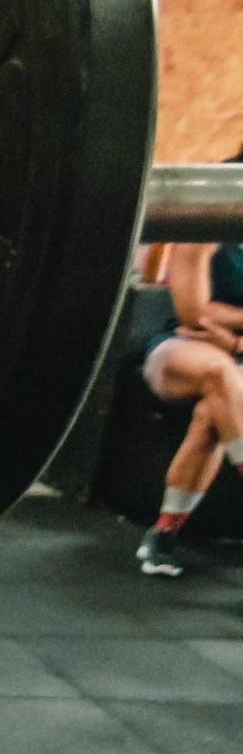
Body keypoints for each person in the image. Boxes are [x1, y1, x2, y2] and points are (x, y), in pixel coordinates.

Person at [134, 159, 243, 577]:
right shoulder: (210, 215)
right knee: (219, 373)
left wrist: (229, 331)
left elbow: (211, 315)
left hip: (230, 349)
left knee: (210, 416)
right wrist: (223, 333)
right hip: (184, 350)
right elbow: (193, 312)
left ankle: (162, 535)